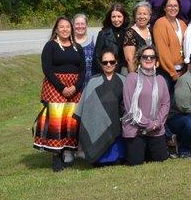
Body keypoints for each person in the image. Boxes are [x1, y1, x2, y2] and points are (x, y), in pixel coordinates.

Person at [33, 15, 86, 171]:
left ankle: (68, 152)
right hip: (55, 88)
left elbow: (82, 69)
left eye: (67, 27)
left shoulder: (77, 47)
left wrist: (75, 87)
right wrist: (62, 87)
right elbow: (47, 69)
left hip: (74, 89)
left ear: (71, 29)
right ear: (56, 29)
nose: (65, 29)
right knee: (57, 123)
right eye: (61, 27)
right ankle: (56, 156)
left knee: (71, 121)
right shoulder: (50, 46)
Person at [121, 49, 170, 165]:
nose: (149, 59)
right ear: (139, 59)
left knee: (161, 159)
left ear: (156, 61)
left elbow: (166, 104)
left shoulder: (161, 80)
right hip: (136, 129)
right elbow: (130, 108)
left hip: (156, 129)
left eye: (152, 57)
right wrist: (147, 124)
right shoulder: (132, 78)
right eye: (145, 57)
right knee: (135, 162)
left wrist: (157, 123)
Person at [77, 51, 126, 165]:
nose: (108, 65)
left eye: (112, 62)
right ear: (100, 64)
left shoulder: (124, 80)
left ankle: (117, 157)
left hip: (118, 124)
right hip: (98, 123)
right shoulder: (93, 82)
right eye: (105, 62)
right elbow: (87, 108)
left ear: (116, 62)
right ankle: (99, 156)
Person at [151, 0, 187, 86]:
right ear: (164, 8)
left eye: (175, 6)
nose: (173, 8)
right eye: (170, 6)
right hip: (167, 72)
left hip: (182, 70)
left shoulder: (182, 24)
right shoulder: (160, 23)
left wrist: (185, 69)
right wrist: (172, 72)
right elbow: (162, 50)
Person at [94, 3, 129, 73]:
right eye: (113, 17)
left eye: (119, 16)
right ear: (110, 18)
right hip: (107, 71)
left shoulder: (129, 33)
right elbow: (97, 57)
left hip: (125, 71)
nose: (116, 20)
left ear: (124, 17)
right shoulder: (103, 34)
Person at [123, 1, 154, 73]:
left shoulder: (152, 31)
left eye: (145, 14)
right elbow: (129, 59)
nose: (142, 17)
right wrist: (134, 77)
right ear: (135, 16)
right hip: (137, 72)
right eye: (139, 14)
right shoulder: (130, 33)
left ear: (149, 17)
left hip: (151, 71)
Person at [72, 13, 95, 83]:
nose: (80, 26)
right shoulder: (68, 41)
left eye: (82, 24)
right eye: (77, 24)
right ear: (73, 25)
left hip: (90, 81)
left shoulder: (94, 40)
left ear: (86, 25)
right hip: (72, 82)